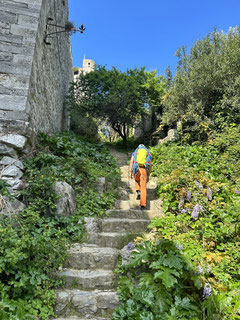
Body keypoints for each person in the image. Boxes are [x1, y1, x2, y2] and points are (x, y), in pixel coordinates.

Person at [129, 144, 152, 210]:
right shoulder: (147, 154)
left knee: (136, 180)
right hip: (143, 170)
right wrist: (148, 175)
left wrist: (131, 171)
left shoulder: (135, 153)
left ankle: (138, 190)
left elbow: (131, 162)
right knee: (144, 187)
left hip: (136, 169)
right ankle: (142, 205)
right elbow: (150, 165)